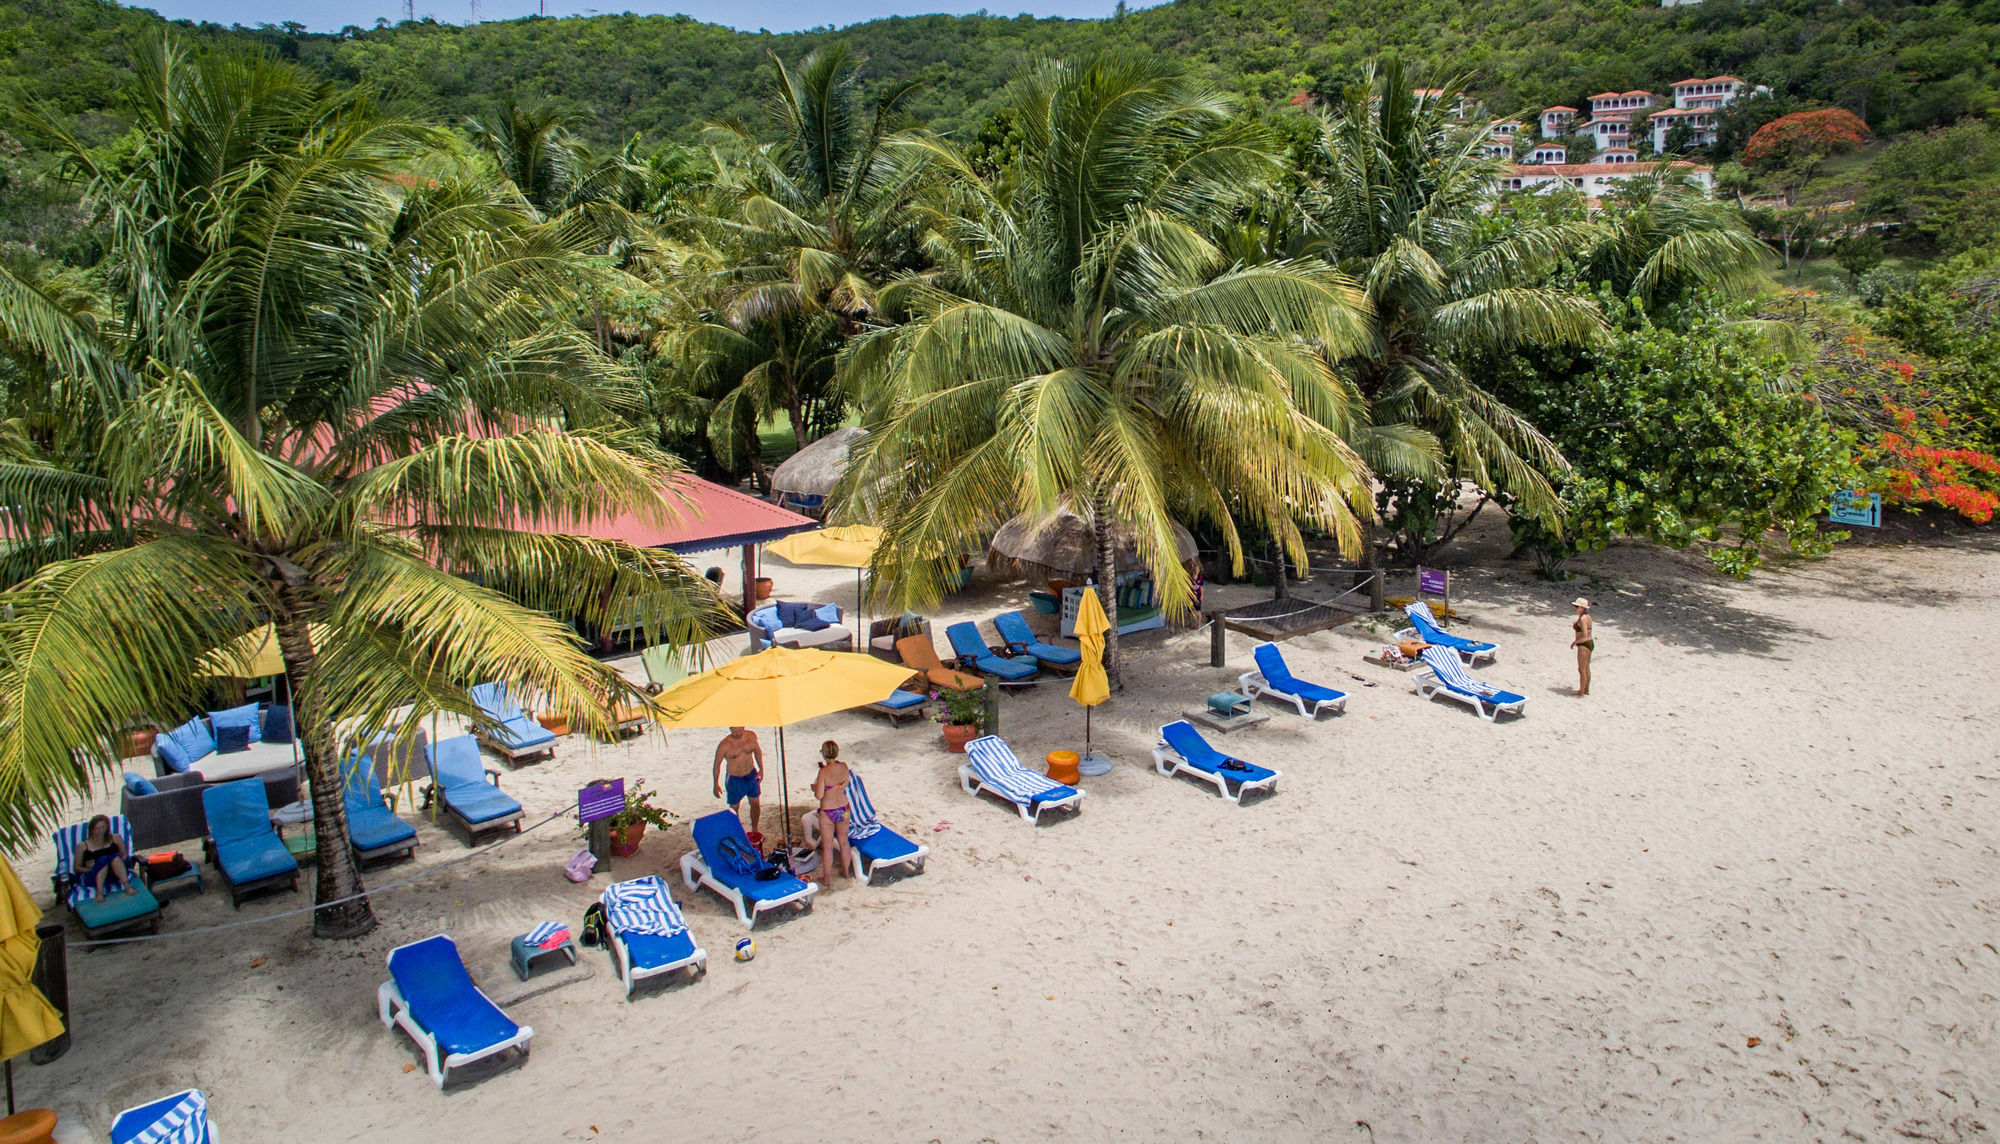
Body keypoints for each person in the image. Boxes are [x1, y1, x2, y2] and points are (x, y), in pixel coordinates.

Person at [812, 740, 853, 885]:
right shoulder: (844, 766)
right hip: (843, 808)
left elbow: (819, 795)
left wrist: (815, 787)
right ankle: (846, 872)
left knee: (828, 846)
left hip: (828, 810)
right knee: (844, 842)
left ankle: (827, 879)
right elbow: (846, 784)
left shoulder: (823, 771)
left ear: (824, 754)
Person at [711, 727, 764, 836]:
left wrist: (761, 769)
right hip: (735, 779)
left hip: (751, 774)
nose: (737, 733)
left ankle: (755, 828)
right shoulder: (724, 745)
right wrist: (716, 784)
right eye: (734, 732)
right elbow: (717, 765)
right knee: (734, 808)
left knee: (755, 804)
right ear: (730, 729)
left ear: (743, 727)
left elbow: (758, 752)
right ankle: (737, 832)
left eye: (740, 731)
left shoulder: (751, 736)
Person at [75, 814, 132, 897]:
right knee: (103, 859)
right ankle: (100, 892)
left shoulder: (115, 838)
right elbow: (76, 867)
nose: (101, 831)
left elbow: (124, 855)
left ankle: (127, 887)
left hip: (115, 874)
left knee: (114, 856)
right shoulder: (83, 846)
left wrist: (117, 864)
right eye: (97, 828)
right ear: (91, 829)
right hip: (94, 876)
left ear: (107, 827)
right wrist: (90, 869)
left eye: (103, 827)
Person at [1570, 597, 1594, 696]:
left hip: (1583, 644)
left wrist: (1575, 642)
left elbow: (1584, 634)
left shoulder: (1583, 619)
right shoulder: (1587, 616)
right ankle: (1586, 689)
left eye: (1577, 607)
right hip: (1589, 643)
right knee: (1586, 668)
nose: (1575, 608)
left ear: (1582, 608)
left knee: (1581, 669)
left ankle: (1581, 692)